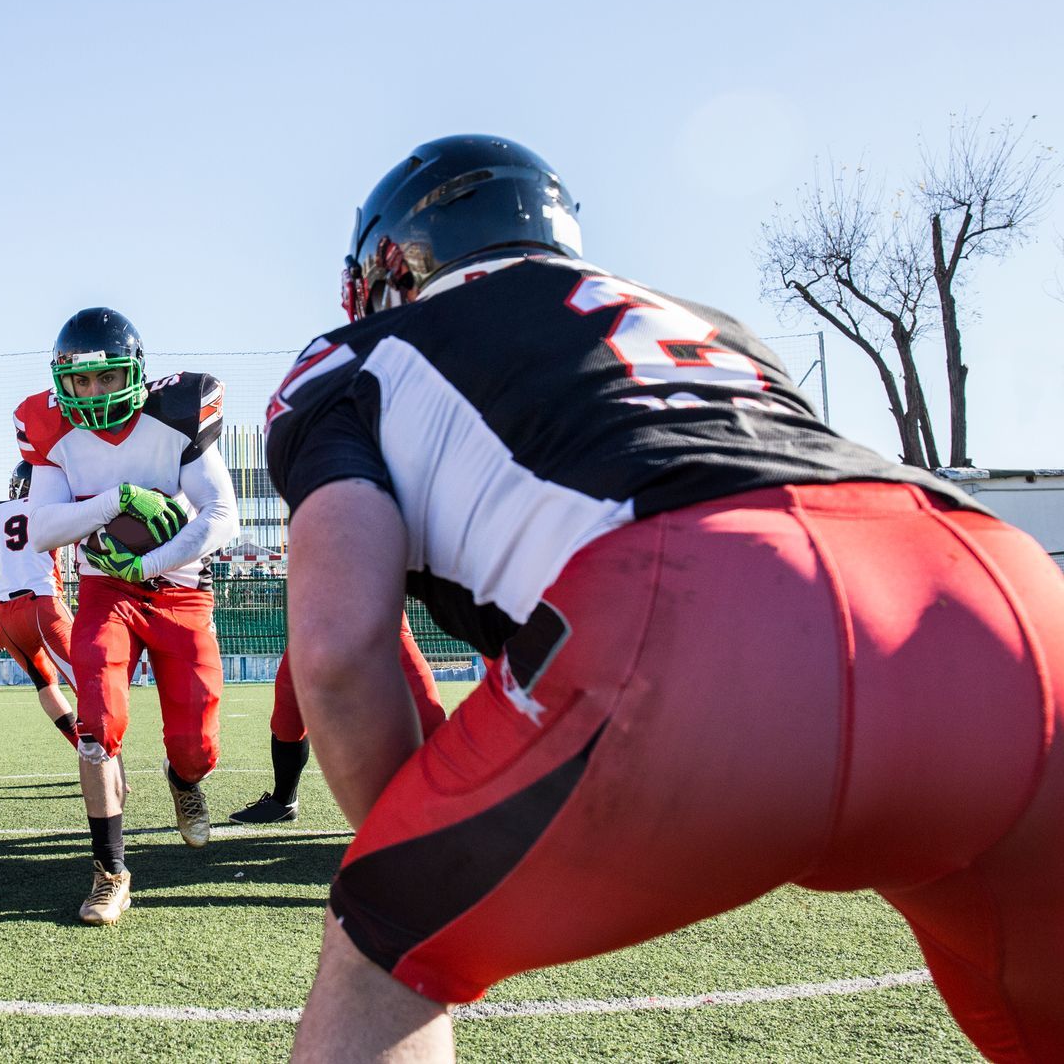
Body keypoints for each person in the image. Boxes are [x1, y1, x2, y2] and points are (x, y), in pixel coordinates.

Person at [266, 134, 1064, 1063]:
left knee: (384, 944)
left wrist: (396, 855)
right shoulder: (710, 322)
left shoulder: (352, 358)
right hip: (1000, 595)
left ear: (389, 265)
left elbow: (335, 648)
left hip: (694, 608)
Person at [14, 308, 238, 925]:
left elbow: (222, 516)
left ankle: (183, 780)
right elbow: (40, 530)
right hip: (103, 590)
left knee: (197, 747)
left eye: (107, 378)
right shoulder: (50, 426)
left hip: (181, 591)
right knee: (97, 725)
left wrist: (153, 561)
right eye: (80, 382)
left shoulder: (176, 411)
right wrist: (119, 498)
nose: (93, 393)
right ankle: (111, 870)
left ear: (133, 373)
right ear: (63, 382)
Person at [230, 614, 444, 825]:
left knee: (428, 718)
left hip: (381, 618)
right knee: (289, 711)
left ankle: (452, 803)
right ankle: (283, 801)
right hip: (318, 623)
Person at [0, 461, 79, 747]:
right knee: (89, 685)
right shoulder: (51, 506)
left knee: (46, 685)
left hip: (6, 616)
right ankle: (106, 765)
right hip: (43, 604)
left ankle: (82, 747)